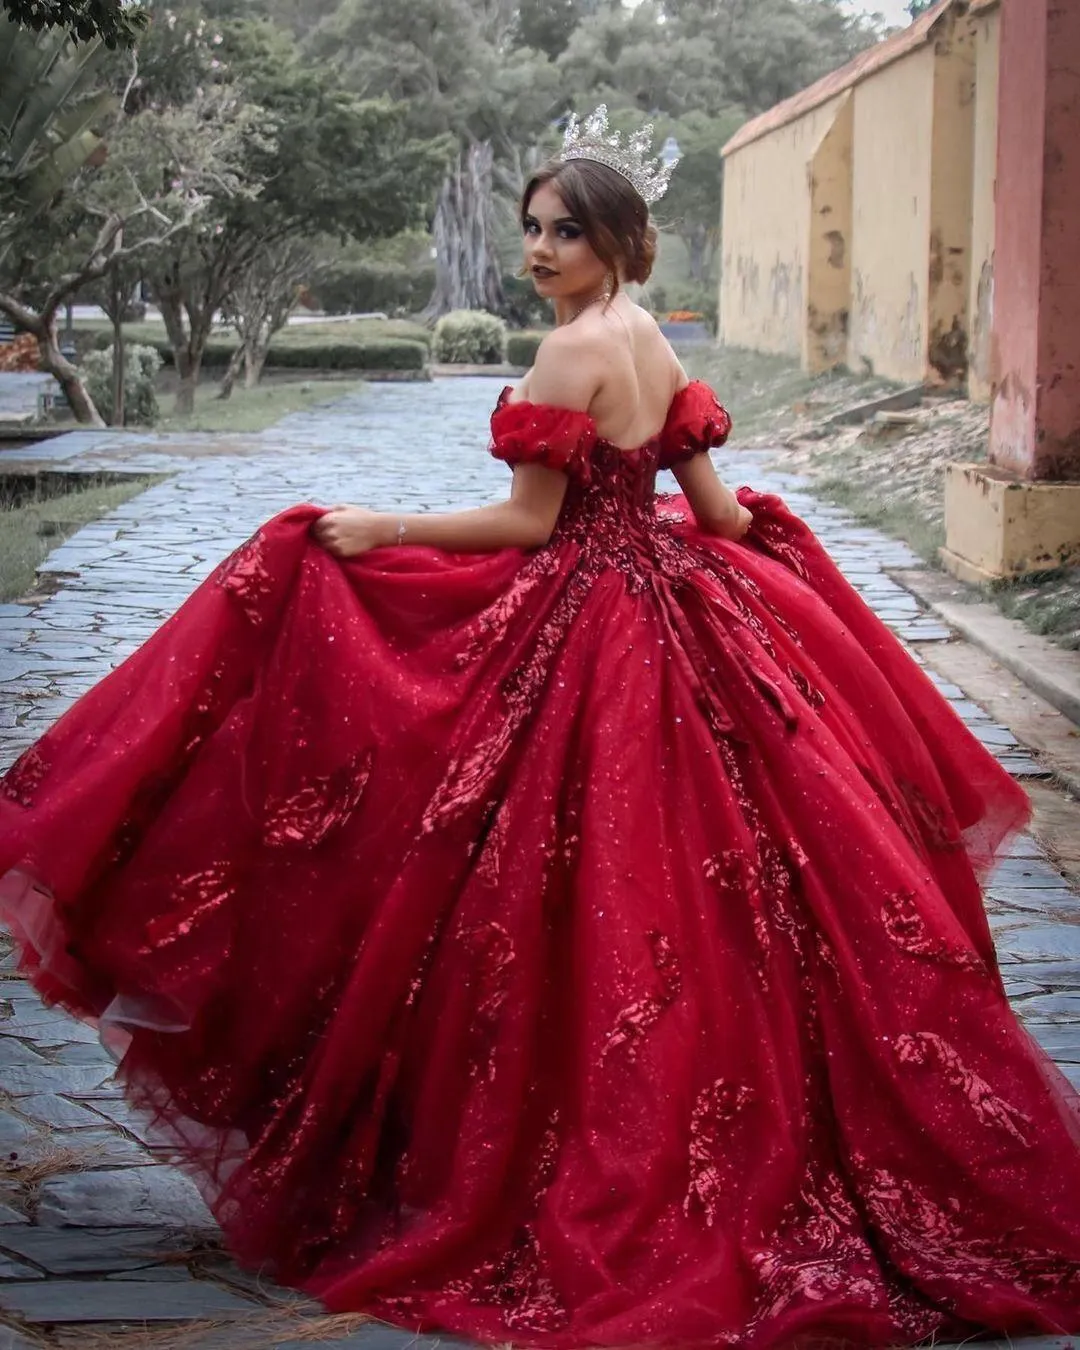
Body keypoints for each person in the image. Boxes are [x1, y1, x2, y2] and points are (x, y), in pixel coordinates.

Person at [1, 106, 1079, 1349]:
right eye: (530, 229)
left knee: (564, 883)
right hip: (683, 609)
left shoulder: (572, 355)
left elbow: (528, 526)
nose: (538, 248)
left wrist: (381, 528)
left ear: (618, 238)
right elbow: (716, 516)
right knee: (729, 895)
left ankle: (579, 1151)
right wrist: (770, 550)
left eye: (564, 230)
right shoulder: (656, 351)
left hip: (593, 626)